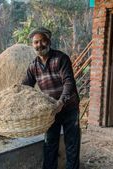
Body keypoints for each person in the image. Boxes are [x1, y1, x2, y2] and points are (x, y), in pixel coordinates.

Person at [22, 27, 81, 169]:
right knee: (50, 143)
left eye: (42, 41)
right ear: (32, 45)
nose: (39, 45)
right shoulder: (33, 66)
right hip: (51, 111)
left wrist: (61, 102)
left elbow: (69, 82)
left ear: (49, 41)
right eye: (36, 42)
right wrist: (13, 95)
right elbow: (25, 87)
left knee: (72, 143)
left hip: (69, 107)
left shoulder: (61, 58)